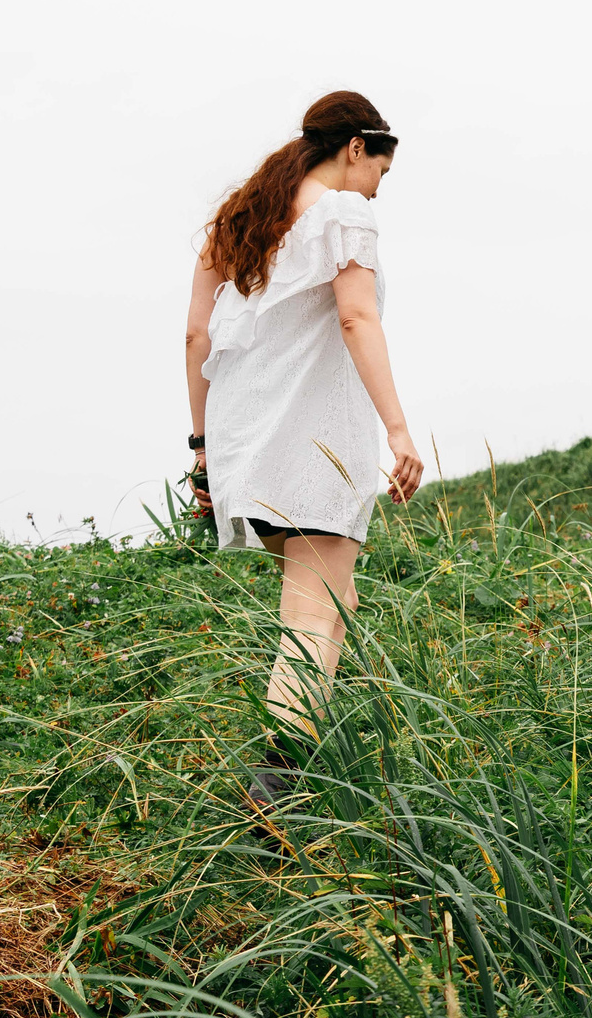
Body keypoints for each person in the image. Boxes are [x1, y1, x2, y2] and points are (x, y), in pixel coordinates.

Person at [182, 90, 424, 804]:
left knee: (331, 599)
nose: (378, 189)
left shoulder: (240, 220)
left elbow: (196, 337)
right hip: (314, 436)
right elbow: (356, 318)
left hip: (245, 435)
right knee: (314, 613)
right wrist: (399, 428)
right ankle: (276, 788)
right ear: (356, 148)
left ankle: (301, 766)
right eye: (381, 171)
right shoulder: (346, 212)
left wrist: (201, 450)